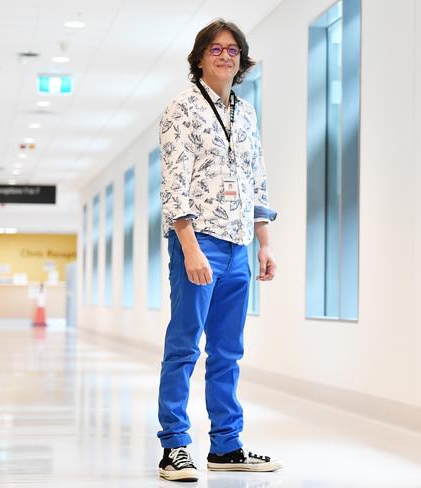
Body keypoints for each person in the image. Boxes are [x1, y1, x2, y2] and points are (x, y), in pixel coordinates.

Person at [156, 19, 281, 482]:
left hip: (238, 244)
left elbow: (257, 177)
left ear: (241, 60)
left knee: (228, 350)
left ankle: (226, 446)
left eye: (233, 50)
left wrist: (264, 242)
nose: (225, 56)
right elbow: (173, 183)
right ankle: (174, 446)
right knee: (185, 345)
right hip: (199, 241)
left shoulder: (246, 113)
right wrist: (189, 248)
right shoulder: (182, 108)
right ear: (200, 57)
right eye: (215, 49)